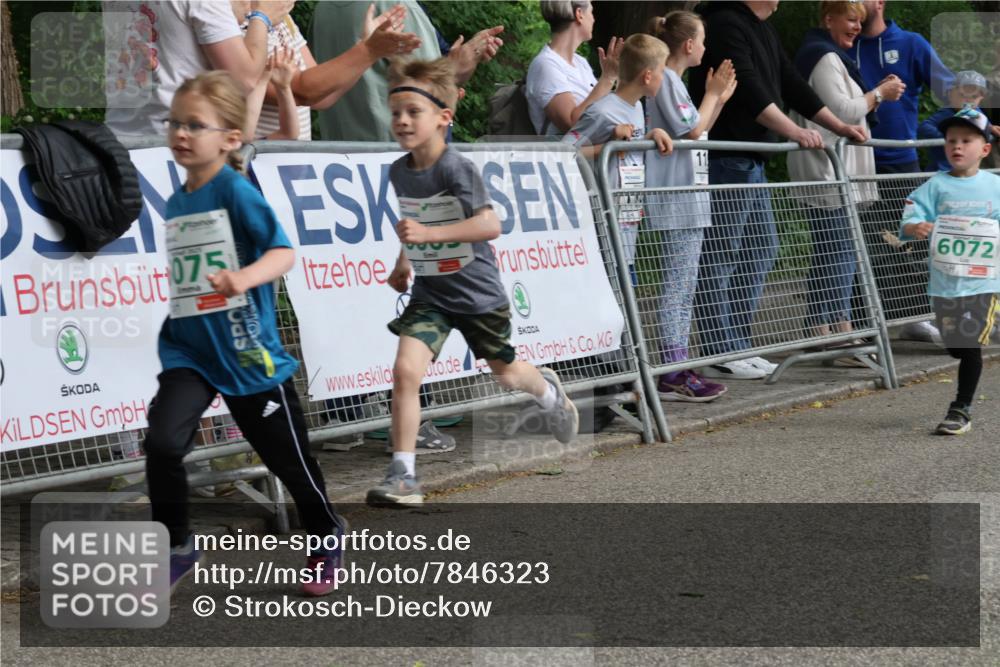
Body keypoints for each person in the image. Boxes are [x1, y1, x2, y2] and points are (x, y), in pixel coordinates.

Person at [147, 71, 346, 596]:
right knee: (162, 444)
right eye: (175, 122)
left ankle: (325, 534)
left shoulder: (235, 191)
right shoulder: (177, 199)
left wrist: (242, 278)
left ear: (230, 138)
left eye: (195, 125)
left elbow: (282, 252)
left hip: (249, 356)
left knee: (289, 464)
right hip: (190, 351)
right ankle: (177, 546)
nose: (181, 133)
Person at [367, 58, 580, 506]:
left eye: (413, 111)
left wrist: (428, 237)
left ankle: (547, 393)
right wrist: (404, 261)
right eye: (396, 112)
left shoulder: (456, 168)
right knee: (405, 372)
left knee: (506, 375)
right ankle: (403, 477)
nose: (402, 120)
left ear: (443, 117)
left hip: (477, 294)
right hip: (431, 293)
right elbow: (416, 219)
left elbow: (489, 225)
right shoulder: (399, 171)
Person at [687, 0, 868, 381]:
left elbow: (791, 83)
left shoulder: (762, 27)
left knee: (760, 247)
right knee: (721, 252)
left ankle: (737, 343)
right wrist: (795, 131)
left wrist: (838, 126)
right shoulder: (725, 24)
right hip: (726, 157)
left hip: (751, 158)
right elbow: (749, 91)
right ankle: (719, 348)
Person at [788, 1, 901, 348]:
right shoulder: (823, 57)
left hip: (839, 172)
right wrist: (879, 93)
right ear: (828, 19)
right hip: (827, 173)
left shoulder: (831, 56)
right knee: (837, 251)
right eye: (851, 19)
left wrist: (874, 94)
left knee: (839, 251)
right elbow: (842, 111)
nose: (857, 27)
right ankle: (829, 330)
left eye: (860, 22)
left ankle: (833, 326)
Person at [644, 10, 736, 402]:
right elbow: (694, 128)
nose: (705, 47)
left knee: (684, 288)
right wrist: (713, 93)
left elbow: (698, 129)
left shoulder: (673, 82)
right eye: (702, 40)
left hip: (689, 197)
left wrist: (719, 99)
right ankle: (672, 369)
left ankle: (679, 363)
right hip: (677, 197)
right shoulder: (666, 79)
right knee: (677, 288)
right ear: (688, 44)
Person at [854, 0, 954, 342]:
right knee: (863, 247)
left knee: (915, 241)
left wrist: (950, 131)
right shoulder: (842, 42)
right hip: (856, 163)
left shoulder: (911, 43)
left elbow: (956, 93)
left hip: (902, 163)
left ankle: (915, 317)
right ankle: (864, 325)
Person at [898, 107, 999, 434]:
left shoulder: (995, 186)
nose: (957, 146)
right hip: (945, 284)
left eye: (966, 140)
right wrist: (915, 227)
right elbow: (911, 217)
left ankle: (960, 410)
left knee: (969, 346)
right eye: (951, 140)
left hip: (984, 283)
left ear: (984, 149)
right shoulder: (935, 185)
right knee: (955, 345)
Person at [311, 0, 503, 142]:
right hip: (398, 158)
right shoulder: (399, 7)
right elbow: (429, 93)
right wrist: (462, 63)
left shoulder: (323, 7)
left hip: (340, 159)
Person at [562, 33, 674, 272]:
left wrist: (650, 136)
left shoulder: (637, 108)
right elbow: (564, 152)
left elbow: (628, 146)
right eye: (662, 71)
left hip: (627, 231)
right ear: (647, 76)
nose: (664, 78)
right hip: (600, 232)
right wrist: (610, 145)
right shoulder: (602, 111)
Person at [231, 1, 420, 141]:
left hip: (289, 168)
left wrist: (367, 48)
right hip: (255, 168)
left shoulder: (282, 17)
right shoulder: (233, 18)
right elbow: (302, 91)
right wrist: (368, 51)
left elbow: (322, 97)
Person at [525, 0, 623, 136]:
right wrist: (607, 79)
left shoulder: (580, 62)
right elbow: (572, 125)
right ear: (579, 14)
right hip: (566, 150)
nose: (594, 19)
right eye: (591, 12)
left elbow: (600, 109)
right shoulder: (546, 65)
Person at [918, 71, 1000, 172]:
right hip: (943, 169)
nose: (968, 100)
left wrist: (990, 128)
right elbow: (924, 126)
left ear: (981, 98)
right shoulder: (946, 112)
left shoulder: (976, 111)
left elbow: (983, 121)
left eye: (974, 97)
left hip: (966, 167)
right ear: (950, 94)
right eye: (963, 95)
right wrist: (948, 137)